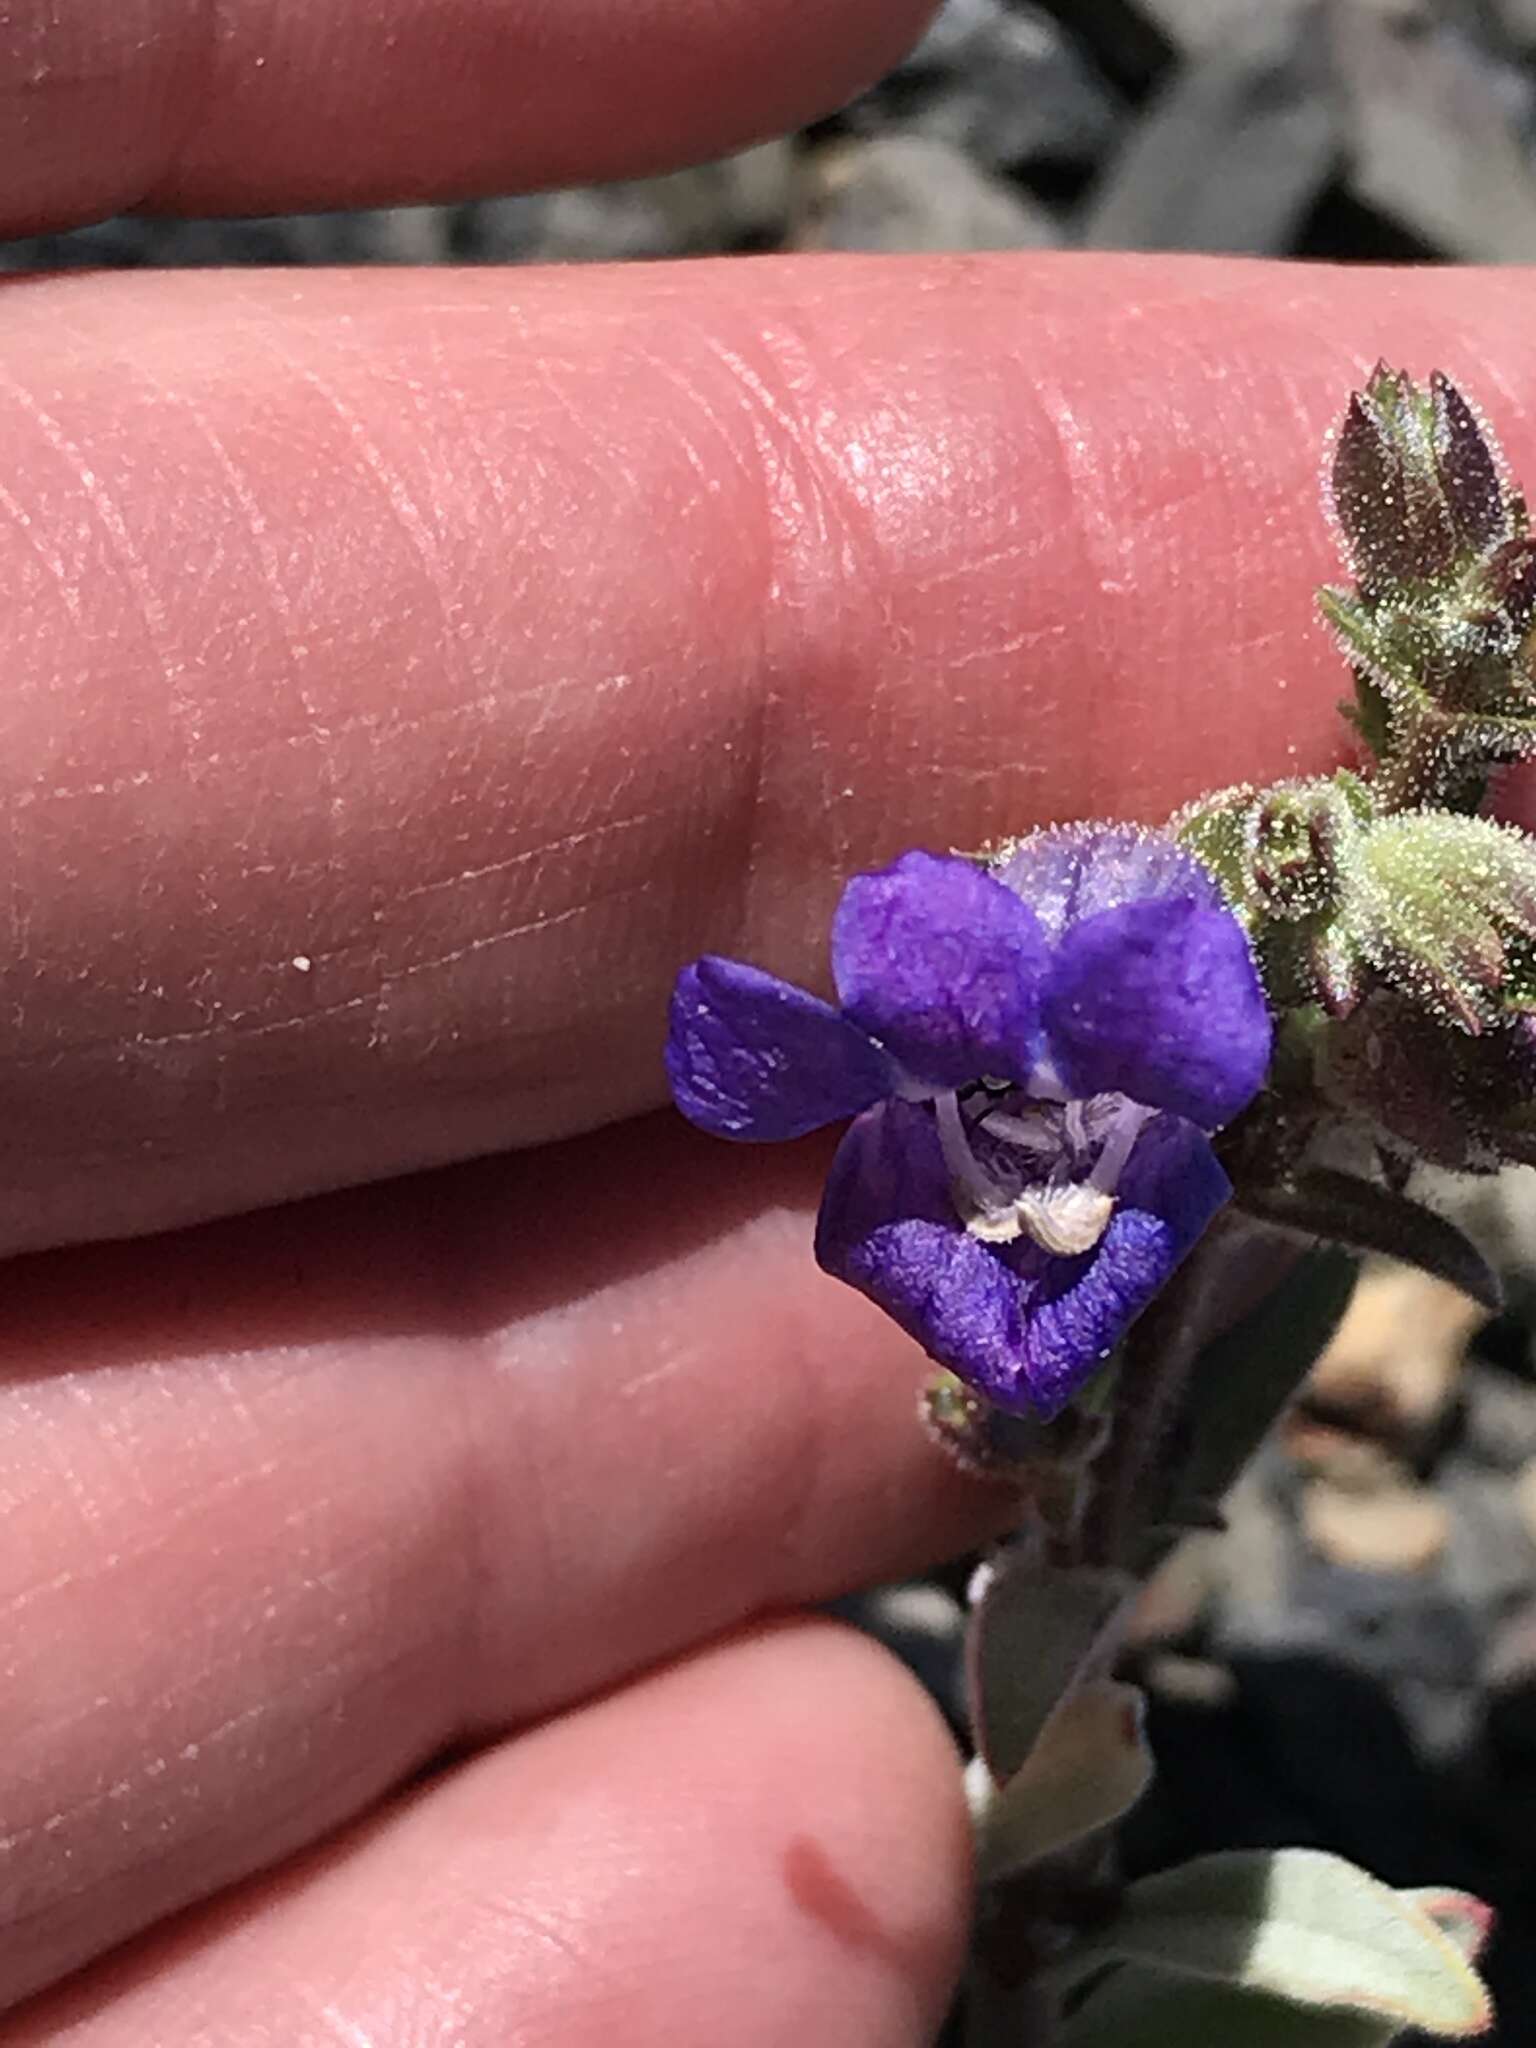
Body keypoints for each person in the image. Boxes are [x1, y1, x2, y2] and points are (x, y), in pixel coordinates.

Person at [1, 2, 1526, 2039]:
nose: (1026, 1172)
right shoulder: (1149, 1038)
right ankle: (1041, 1880)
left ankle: (1048, 1863)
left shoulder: (1175, 1025)